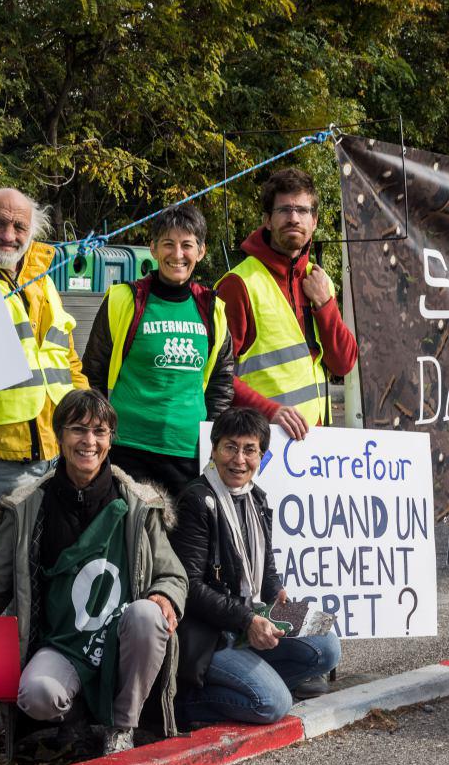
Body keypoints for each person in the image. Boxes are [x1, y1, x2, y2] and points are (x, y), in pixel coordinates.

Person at [0, 390, 187, 754]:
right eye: (78, 429)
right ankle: (74, 718)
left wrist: (165, 595)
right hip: (60, 646)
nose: (89, 441)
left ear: (110, 440)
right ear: (59, 436)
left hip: (121, 643)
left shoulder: (138, 504)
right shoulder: (27, 508)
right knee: (37, 694)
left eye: (99, 431)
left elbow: (173, 576)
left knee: (147, 615)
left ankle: (122, 727)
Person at [171, 408, 341, 724]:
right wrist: (248, 620)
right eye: (230, 447)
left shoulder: (257, 499)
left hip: (249, 615)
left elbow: (267, 568)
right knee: (273, 704)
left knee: (328, 644)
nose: (239, 459)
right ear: (214, 450)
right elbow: (189, 587)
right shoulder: (196, 500)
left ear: (261, 456)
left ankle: (251, 682)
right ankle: (185, 704)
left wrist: (276, 592)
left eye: (250, 450)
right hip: (210, 632)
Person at [0, 187, 89, 536]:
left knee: (58, 550)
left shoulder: (42, 279)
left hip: (57, 446)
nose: (8, 235)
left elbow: (66, 357)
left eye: (19, 226)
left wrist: (88, 416)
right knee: (20, 555)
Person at [82, 203, 234, 497]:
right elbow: (93, 374)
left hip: (189, 453)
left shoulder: (213, 309)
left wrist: (212, 439)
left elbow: (221, 383)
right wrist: (98, 435)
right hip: (127, 449)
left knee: (184, 528)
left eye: (187, 245)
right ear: (152, 248)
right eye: (168, 244)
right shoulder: (123, 300)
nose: (177, 254)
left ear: (201, 251)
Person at [216, 167, 358, 441]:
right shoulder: (238, 284)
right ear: (267, 221)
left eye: (302, 210)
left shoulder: (320, 281)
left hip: (315, 444)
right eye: (284, 210)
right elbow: (215, 374)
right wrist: (270, 412)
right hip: (258, 442)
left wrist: (325, 304)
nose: (294, 218)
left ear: (314, 221)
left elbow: (343, 363)